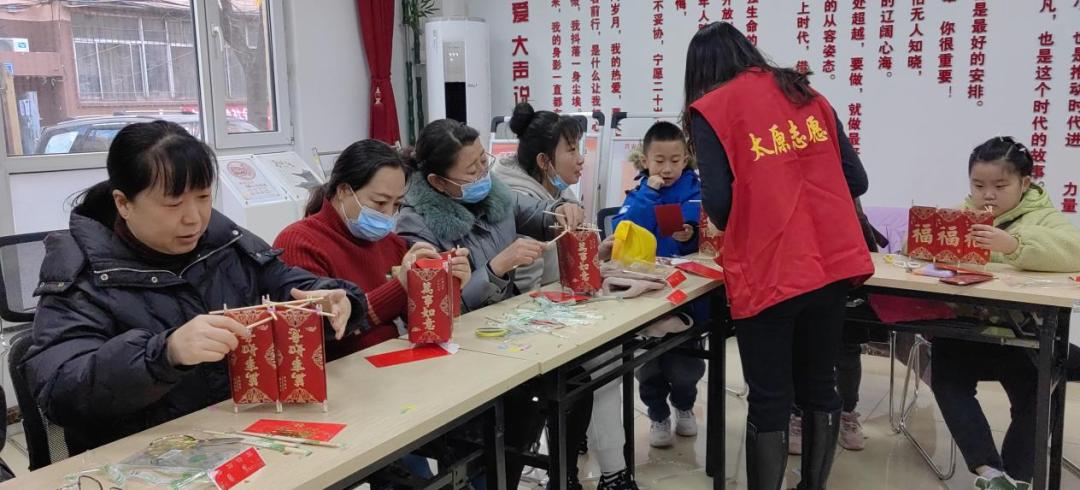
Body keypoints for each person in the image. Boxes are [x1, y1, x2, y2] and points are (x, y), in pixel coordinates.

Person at [21, 121, 367, 455]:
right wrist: (165, 354)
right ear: (123, 203)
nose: (194, 218)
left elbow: (291, 285)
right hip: (146, 462)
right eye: (173, 204)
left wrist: (335, 299)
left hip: (246, 439)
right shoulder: (82, 279)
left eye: (203, 197)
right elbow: (59, 392)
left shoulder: (226, 245)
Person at [683, 22, 873, 490]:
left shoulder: (711, 109)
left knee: (770, 398)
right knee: (819, 386)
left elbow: (722, 207)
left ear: (700, 72)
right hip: (830, 264)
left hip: (771, 269)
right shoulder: (806, 94)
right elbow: (857, 180)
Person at [395, 119, 590, 489]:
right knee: (515, 413)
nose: (484, 172)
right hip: (456, 351)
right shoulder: (416, 225)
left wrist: (562, 210)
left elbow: (536, 215)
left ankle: (559, 478)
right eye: (472, 170)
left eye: (484, 161)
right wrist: (497, 267)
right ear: (437, 182)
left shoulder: (494, 192)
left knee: (575, 380)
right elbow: (441, 309)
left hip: (503, 332)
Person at [494, 103, 638, 490]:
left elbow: (561, 262)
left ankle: (578, 463)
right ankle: (612, 473)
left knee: (609, 355)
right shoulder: (517, 197)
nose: (581, 158)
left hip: (553, 312)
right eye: (572, 150)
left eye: (581, 148)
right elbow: (527, 289)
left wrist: (595, 254)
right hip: (527, 328)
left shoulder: (553, 186)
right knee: (605, 359)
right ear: (545, 159)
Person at [930, 136, 1080, 490]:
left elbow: (1073, 250)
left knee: (1039, 387)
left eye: (1000, 185)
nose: (988, 195)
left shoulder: (1042, 216)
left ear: (1024, 183)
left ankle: (1015, 479)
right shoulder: (963, 213)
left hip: (1023, 335)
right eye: (978, 185)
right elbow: (917, 245)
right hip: (968, 329)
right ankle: (990, 473)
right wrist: (928, 242)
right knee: (946, 375)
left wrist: (1014, 246)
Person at [275, 139, 470, 361]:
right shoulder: (298, 243)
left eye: (396, 204)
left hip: (394, 363)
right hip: (341, 375)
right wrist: (400, 286)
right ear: (343, 191)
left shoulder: (392, 243)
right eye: (379, 203)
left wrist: (445, 285)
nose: (388, 215)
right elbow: (317, 332)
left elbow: (421, 323)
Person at [611, 122, 707, 452]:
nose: (667, 168)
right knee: (648, 364)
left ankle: (683, 404)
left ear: (686, 159)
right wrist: (650, 193)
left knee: (685, 365)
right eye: (659, 160)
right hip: (646, 294)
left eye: (675, 160)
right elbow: (625, 228)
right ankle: (657, 412)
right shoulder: (639, 192)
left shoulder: (695, 190)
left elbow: (699, 226)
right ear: (645, 160)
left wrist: (689, 233)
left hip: (686, 296)